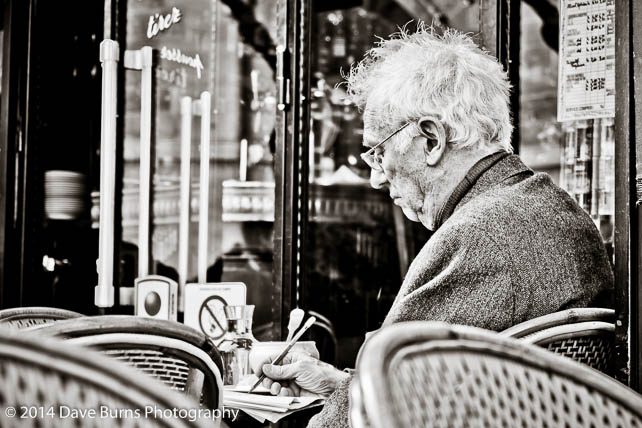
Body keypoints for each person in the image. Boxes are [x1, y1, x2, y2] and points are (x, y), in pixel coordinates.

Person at [252, 25, 614, 427]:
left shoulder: (479, 235)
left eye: (378, 151)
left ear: (431, 140)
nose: (375, 177)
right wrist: (338, 383)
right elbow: (427, 386)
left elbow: (369, 411)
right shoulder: (551, 207)